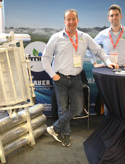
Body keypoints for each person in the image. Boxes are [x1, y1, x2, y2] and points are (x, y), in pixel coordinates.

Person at [41, 9, 118, 147]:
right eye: (68, 19)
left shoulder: (85, 37)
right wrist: (53, 75)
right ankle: (66, 135)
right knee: (62, 108)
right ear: (64, 21)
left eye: (73, 19)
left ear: (77, 20)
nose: (71, 22)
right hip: (60, 79)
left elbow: (99, 50)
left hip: (76, 78)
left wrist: (108, 62)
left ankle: (55, 128)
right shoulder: (56, 38)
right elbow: (45, 58)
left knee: (77, 108)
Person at [87, 4, 125, 115]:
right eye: (111, 15)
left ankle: (121, 124)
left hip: (124, 70)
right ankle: (110, 124)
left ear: (121, 16)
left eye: (116, 15)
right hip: (108, 70)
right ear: (108, 18)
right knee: (109, 100)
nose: (114, 18)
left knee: (123, 99)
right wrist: (94, 62)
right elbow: (89, 48)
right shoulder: (103, 34)